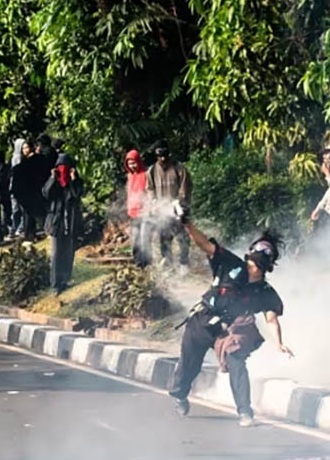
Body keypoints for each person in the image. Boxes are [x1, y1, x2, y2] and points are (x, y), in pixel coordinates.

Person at [168, 211, 293, 427]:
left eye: (257, 266)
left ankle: (245, 412)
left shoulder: (264, 291)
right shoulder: (231, 264)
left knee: (237, 362)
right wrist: (188, 224)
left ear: (266, 268)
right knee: (189, 366)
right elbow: (205, 244)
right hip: (202, 321)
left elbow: (271, 320)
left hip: (227, 332)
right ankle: (179, 395)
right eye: (251, 263)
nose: (251, 269)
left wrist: (279, 343)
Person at [146, 141, 193, 276]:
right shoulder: (152, 171)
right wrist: (154, 202)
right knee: (164, 239)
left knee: (183, 238)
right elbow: (150, 189)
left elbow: (186, 187)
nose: (163, 159)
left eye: (165, 155)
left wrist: (178, 201)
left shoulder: (179, 168)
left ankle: (184, 263)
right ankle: (168, 265)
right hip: (162, 211)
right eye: (160, 156)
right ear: (156, 156)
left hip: (178, 208)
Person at [43, 154, 84, 293]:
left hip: (71, 221)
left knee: (68, 252)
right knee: (56, 253)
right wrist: (52, 178)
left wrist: (74, 180)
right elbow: (46, 193)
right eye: (60, 167)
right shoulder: (54, 181)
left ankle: (64, 280)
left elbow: (77, 194)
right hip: (57, 222)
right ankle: (55, 283)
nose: (63, 171)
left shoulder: (76, 181)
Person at [11, 139, 48, 240]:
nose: (24, 150)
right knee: (28, 213)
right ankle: (30, 234)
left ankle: (42, 230)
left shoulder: (37, 159)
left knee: (36, 212)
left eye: (26, 147)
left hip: (34, 188)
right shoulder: (23, 160)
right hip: (27, 189)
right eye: (23, 148)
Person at [124, 150, 150, 267]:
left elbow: (149, 192)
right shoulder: (129, 176)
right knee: (135, 239)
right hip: (133, 213)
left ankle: (147, 263)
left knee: (144, 239)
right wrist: (129, 208)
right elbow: (129, 194)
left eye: (134, 163)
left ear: (138, 162)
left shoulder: (146, 174)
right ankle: (138, 262)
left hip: (144, 212)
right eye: (129, 164)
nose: (132, 166)